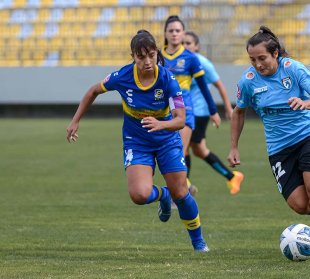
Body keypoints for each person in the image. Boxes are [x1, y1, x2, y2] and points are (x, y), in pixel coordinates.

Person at [66, 30, 209, 252]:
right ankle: (162, 194)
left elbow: (180, 120)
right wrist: (75, 121)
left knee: (181, 192)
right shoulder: (122, 76)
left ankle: (199, 242)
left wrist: (161, 124)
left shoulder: (168, 79)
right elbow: (94, 90)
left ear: (156, 53)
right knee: (139, 195)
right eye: (141, 57)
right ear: (133, 56)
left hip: (167, 140)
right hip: (137, 142)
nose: (147, 61)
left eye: (151, 55)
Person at [227, 26, 310, 261]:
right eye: (252, 59)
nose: (258, 64)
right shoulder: (248, 82)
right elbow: (238, 112)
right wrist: (234, 147)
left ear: (276, 54)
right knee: (301, 205)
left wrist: (305, 102)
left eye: (262, 58)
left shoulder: (294, 69)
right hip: (279, 149)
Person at [162, 15, 221, 193]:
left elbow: (204, 87)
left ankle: (176, 195)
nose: (174, 34)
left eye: (177, 30)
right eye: (171, 30)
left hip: (184, 110)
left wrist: (213, 111)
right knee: (165, 154)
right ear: (165, 33)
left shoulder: (190, 58)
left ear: (183, 33)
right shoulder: (157, 56)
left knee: (177, 152)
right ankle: (185, 186)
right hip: (163, 110)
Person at [183, 31, 244, 195]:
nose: (185, 46)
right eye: (183, 43)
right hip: (187, 111)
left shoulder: (203, 63)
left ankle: (182, 191)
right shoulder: (181, 62)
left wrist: (227, 108)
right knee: (199, 150)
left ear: (196, 46)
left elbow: (219, 85)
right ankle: (231, 176)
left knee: (182, 148)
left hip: (198, 112)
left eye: (189, 43)